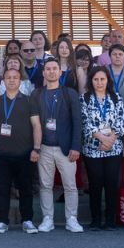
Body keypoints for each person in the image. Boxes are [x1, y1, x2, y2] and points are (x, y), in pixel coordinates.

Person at [31, 58, 84, 233]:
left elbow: (77, 122)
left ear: (60, 72)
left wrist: (76, 146)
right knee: (45, 185)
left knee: (70, 185)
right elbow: (33, 123)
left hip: (66, 148)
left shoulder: (70, 93)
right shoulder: (37, 94)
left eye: (55, 68)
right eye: (48, 69)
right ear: (44, 72)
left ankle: (72, 219)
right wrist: (35, 147)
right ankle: (48, 219)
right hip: (44, 147)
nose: (51, 71)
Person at [0, 67, 40, 234]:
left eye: (14, 77)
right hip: (2, 154)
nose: (11, 80)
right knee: (3, 190)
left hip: (25, 153)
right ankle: (2, 221)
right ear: (3, 81)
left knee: (25, 189)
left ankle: (27, 220)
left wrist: (36, 148)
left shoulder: (29, 101)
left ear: (20, 81)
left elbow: (36, 125)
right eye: (8, 77)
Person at [80, 66, 124, 231]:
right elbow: (84, 123)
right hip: (92, 149)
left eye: (102, 79)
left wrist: (110, 140)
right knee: (95, 184)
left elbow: (121, 121)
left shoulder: (116, 98)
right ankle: (95, 219)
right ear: (91, 81)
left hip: (113, 148)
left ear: (108, 80)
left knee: (111, 183)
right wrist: (101, 138)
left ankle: (110, 219)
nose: (99, 82)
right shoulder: (84, 98)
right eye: (96, 79)